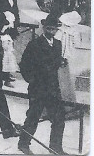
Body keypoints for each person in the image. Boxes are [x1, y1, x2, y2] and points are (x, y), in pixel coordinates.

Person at [18, 13, 68, 155]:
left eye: (54, 29)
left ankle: (55, 147)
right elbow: (24, 64)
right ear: (44, 28)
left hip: (53, 88)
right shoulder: (34, 44)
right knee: (33, 117)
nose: (51, 32)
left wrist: (61, 61)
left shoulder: (58, 44)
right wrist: (32, 80)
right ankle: (23, 144)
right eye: (49, 29)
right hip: (38, 88)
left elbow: (55, 62)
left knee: (59, 117)